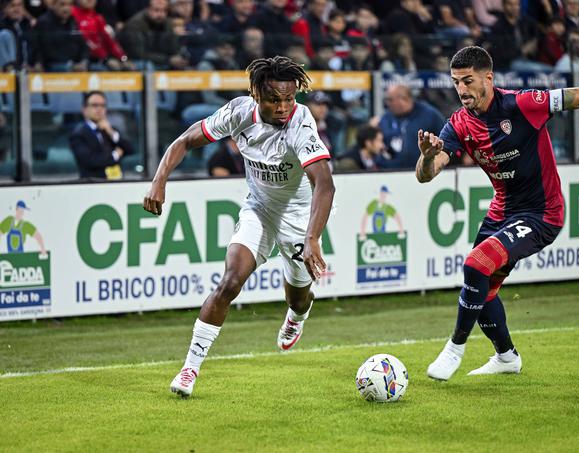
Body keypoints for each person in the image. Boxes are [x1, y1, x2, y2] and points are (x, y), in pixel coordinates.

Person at [416, 46, 579, 381]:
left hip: (542, 213)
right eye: (455, 82)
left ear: (488, 78)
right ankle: (506, 357)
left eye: (468, 80)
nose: (462, 89)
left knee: (475, 264)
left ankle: (455, 347)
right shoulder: (459, 123)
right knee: (482, 284)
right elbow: (428, 173)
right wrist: (425, 156)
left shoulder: (522, 104)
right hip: (502, 210)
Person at [143, 56, 335, 398]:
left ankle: (296, 315)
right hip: (259, 209)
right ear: (256, 94)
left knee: (299, 295)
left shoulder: (300, 125)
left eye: (290, 99)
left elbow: (325, 183)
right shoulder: (238, 113)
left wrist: (312, 237)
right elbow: (185, 140)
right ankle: (190, 368)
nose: (284, 107)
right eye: (274, 99)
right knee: (230, 281)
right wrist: (159, 181)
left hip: (298, 217)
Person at [69, 91, 134, 179]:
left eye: (102, 105)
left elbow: (130, 149)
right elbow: (91, 161)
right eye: (95, 105)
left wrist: (111, 133)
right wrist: (115, 155)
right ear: (84, 109)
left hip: (117, 183)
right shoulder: (78, 134)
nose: (99, 109)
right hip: (92, 184)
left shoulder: (110, 130)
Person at [378, 84, 445, 169]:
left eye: (390, 100)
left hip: (423, 171)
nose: (388, 103)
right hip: (391, 172)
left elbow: (446, 140)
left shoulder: (429, 115)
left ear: (404, 99)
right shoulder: (386, 118)